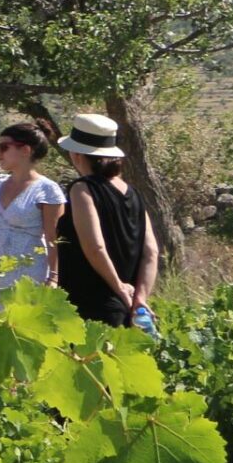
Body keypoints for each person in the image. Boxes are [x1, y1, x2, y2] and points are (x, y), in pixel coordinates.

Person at [54, 112, 160, 329]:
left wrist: (120, 288)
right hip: (127, 308)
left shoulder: (82, 189)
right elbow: (151, 252)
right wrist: (138, 299)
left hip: (88, 305)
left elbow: (95, 247)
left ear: (76, 154)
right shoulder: (133, 193)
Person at [0, 121, 66, 307]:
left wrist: (53, 278)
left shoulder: (47, 190)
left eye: (4, 147)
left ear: (25, 150)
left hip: (30, 275)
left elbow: (53, 238)